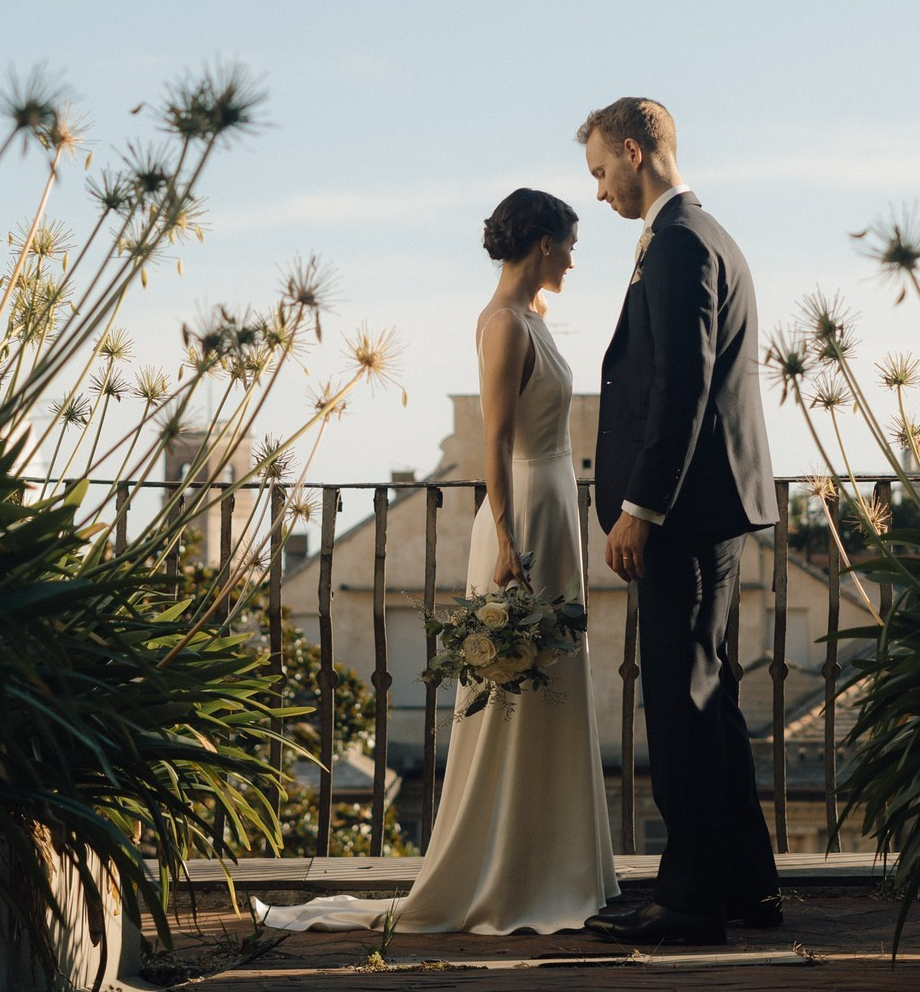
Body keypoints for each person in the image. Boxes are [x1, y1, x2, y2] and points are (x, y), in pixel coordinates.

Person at [257, 188, 619, 936]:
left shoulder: (535, 319)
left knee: (550, 673)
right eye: (571, 244)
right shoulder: (502, 324)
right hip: (524, 509)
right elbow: (493, 441)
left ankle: (557, 862)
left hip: (554, 509)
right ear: (544, 243)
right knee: (518, 682)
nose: (576, 260)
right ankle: (511, 868)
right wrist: (510, 538)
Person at [576, 98, 780, 947]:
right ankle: (745, 886)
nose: (597, 192)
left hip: (683, 515)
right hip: (705, 511)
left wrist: (640, 508)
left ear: (635, 150)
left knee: (683, 702)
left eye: (599, 171)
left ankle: (692, 900)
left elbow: (683, 388)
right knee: (711, 698)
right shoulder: (704, 235)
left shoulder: (683, 243)